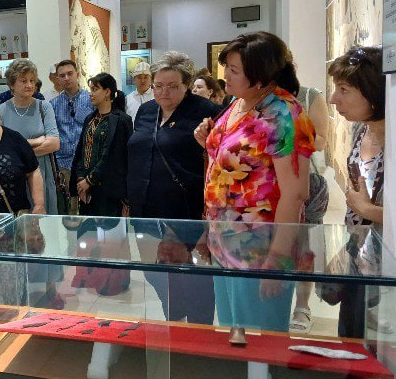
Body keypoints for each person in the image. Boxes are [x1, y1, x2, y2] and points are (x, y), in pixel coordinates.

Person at [194, 31, 315, 332]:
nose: (225, 76)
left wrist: (278, 258)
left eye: (234, 70)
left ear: (260, 78)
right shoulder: (238, 103)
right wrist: (207, 141)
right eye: (226, 67)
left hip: (260, 247)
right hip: (224, 239)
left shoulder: (282, 113)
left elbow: (295, 193)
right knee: (233, 332)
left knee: (259, 337)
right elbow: (235, 163)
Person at [127, 52, 218, 325]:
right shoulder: (146, 110)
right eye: (158, 85)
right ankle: (174, 325)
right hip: (146, 209)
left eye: (172, 86)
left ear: (187, 85)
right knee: (158, 275)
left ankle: (198, 333)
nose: (163, 92)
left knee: (197, 282)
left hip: (187, 209)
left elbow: (218, 161)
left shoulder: (205, 111)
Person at [327, 46, 389, 337]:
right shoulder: (362, 129)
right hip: (360, 254)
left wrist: (368, 210)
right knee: (351, 336)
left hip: (392, 264)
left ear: (373, 90)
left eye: (344, 89)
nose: (333, 99)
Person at [289, 84, 331, 333]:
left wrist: (285, 137)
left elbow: (322, 141)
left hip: (305, 179)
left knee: (304, 247)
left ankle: (302, 306)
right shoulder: (254, 96)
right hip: (265, 182)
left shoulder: (308, 96)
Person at [0, 59, 60, 214]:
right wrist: (35, 141)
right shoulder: (1, 110)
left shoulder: (44, 106)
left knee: (43, 222)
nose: (29, 85)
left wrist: (19, 151)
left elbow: (54, 143)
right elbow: (2, 148)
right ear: (12, 84)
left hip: (42, 173)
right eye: (23, 80)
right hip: (12, 176)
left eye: (32, 80)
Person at [70, 73, 132, 217]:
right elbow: (82, 151)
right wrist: (81, 179)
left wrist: (89, 180)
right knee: (88, 229)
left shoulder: (121, 120)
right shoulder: (90, 118)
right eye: (90, 89)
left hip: (109, 189)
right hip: (86, 189)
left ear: (107, 92)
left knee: (110, 230)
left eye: (95, 89)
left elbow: (112, 157)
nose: (90, 93)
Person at [50, 60, 94, 214]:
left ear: (78, 74)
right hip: (63, 164)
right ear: (57, 79)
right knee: (68, 210)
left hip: (87, 163)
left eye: (70, 74)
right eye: (62, 75)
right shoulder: (52, 105)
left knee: (88, 208)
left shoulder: (91, 99)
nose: (67, 78)